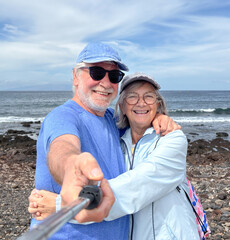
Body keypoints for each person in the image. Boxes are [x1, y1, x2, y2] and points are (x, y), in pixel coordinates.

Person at [30, 42, 180, 240]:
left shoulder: (112, 119)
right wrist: (71, 168)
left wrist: (158, 118)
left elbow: (138, 117)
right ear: (75, 76)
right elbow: (63, 147)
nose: (106, 83)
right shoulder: (63, 117)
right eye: (97, 72)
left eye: (114, 76)